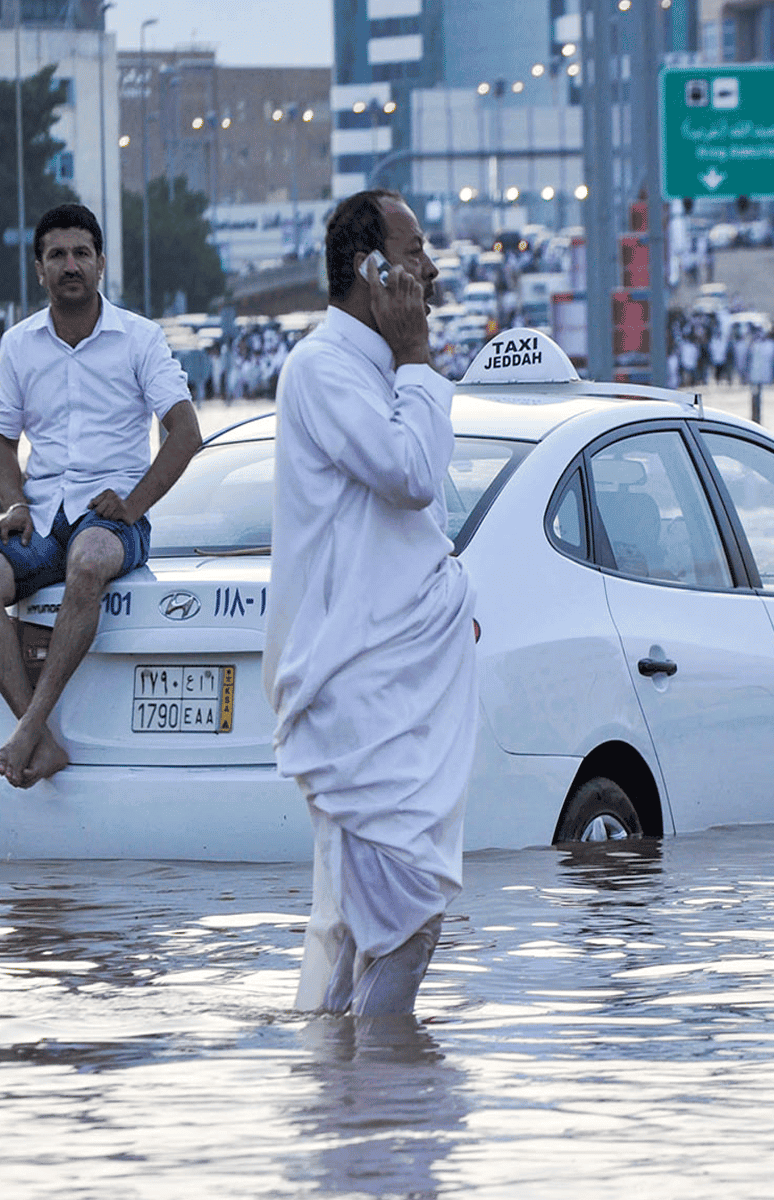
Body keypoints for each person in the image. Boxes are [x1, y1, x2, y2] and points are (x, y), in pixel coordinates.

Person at [265, 190, 478, 1018]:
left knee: (361, 922)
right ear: (372, 271)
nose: (431, 270)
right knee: (405, 916)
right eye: (416, 252)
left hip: (392, 684)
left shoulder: (379, 372)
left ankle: (347, 1079)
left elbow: (412, 525)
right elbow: (409, 475)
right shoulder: (324, 367)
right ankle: (378, 1077)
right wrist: (419, 358)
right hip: (354, 686)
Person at [0, 203, 200, 788]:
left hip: (113, 521)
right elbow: (0, 444)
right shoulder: (19, 345)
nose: (71, 265)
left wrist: (134, 504)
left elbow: (186, 432)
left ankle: (26, 730)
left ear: (101, 264)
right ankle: (40, 740)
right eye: (58, 255)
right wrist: (15, 504)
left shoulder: (140, 339)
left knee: (88, 559)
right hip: (41, 519)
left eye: (82, 254)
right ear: (39, 269)